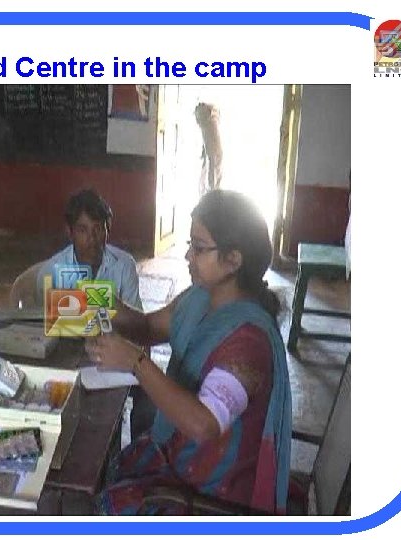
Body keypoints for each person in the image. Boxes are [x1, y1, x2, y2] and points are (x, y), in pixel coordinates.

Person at [86, 189, 292, 515]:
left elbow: (204, 424)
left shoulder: (249, 342)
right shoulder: (200, 297)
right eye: (189, 246)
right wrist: (101, 303)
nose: (188, 258)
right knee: (99, 469)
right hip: (179, 453)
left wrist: (135, 362)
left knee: (100, 499)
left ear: (233, 260)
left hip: (209, 484)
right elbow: (148, 328)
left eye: (198, 248)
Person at [35, 188, 142, 310]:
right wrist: (104, 300)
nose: (92, 238)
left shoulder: (125, 265)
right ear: (70, 232)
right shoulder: (50, 272)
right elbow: (44, 325)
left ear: (108, 229)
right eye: (82, 230)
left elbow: (136, 322)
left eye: (98, 229)